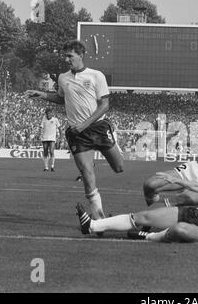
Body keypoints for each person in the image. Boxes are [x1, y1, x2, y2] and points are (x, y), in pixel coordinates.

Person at [26, 40, 124, 220]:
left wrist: (85, 123)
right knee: (87, 172)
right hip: (77, 132)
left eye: (69, 56)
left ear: (81, 55)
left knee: (119, 167)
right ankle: (99, 217)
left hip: (98, 127)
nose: (66, 59)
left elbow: (104, 106)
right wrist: (43, 95)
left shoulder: (96, 76)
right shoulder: (63, 78)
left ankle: (109, 151)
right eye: (65, 56)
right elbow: (61, 98)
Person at [76, 173, 198, 244]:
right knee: (142, 217)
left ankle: (150, 236)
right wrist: (177, 180)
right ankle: (93, 226)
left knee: (179, 230)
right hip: (194, 214)